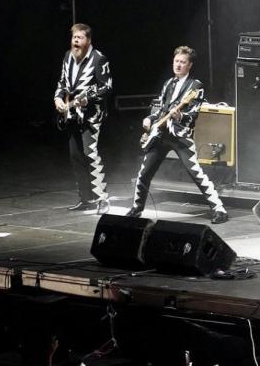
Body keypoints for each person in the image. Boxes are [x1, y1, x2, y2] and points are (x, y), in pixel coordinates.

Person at [126, 45, 228, 223]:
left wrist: (180, 115)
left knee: (195, 172)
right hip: (160, 135)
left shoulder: (196, 87)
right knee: (144, 173)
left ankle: (219, 209)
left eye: (182, 62)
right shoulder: (168, 83)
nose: (178, 65)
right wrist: (150, 119)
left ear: (190, 65)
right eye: (176, 61)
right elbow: (160, 109)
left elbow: (193, 114)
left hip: (180, 136)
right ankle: (136, 209)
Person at [54, 23, 112, 213]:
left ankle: (102, 199)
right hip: (71, 114)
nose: (75, 41)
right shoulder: (67, 57)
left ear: (88, 40)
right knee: (76, 156)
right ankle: (86, 199)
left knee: (90, 154)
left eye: (79, 38)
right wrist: (57, 98)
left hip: (91, 116)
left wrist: (89, 98)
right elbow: (62, 82)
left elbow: (106, 87)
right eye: (74, 37)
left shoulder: (99, 59)